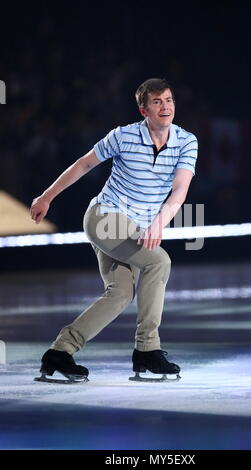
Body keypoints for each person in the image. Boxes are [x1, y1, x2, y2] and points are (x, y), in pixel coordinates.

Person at [30, 78, 198, 383]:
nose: (166, 107)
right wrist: (46, 196)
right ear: (143, 109)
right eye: (158, 102)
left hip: (137, 226)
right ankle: (148, 349)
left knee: (120, 293)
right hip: (103, 217)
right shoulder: (123, 136)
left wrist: (160, 220)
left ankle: (59, 352)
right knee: (159, 261)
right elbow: (83, 165)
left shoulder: (187, 141)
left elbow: (180, 190)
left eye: (170, 100)